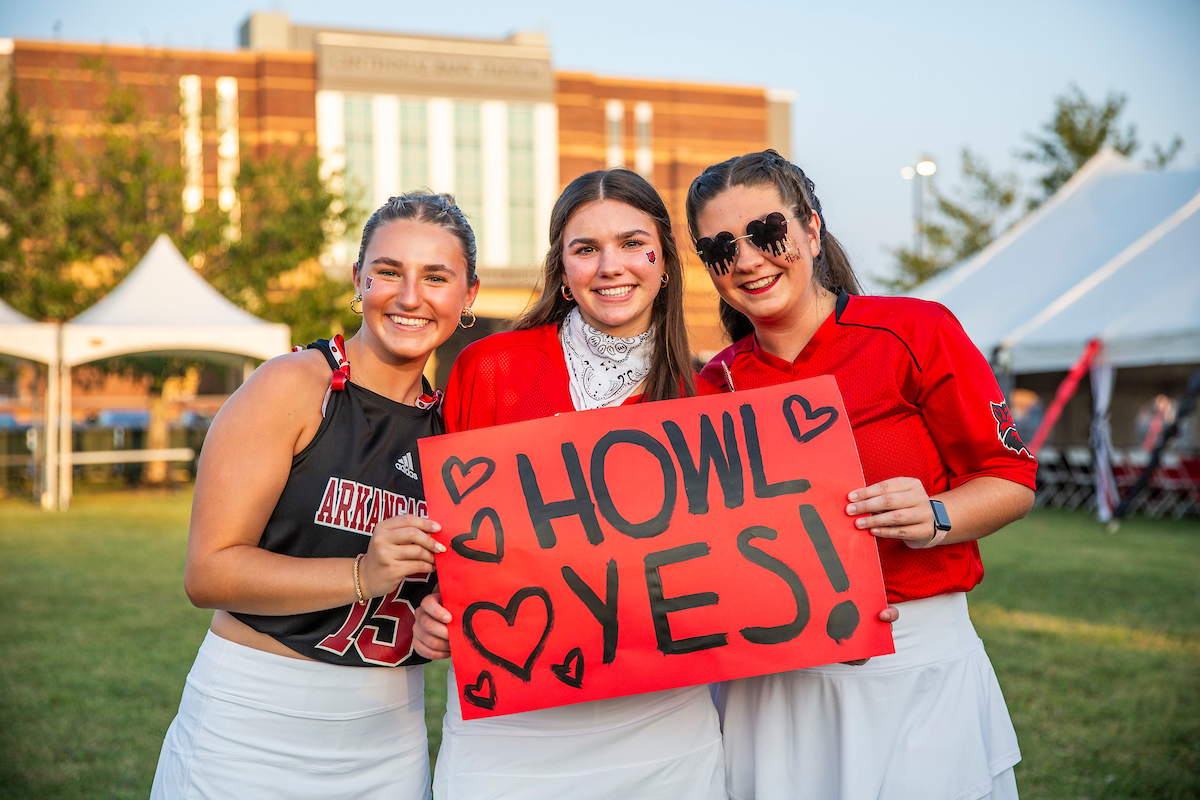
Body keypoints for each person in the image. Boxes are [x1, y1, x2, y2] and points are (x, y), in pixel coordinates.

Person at [685, 150, 1037, 800]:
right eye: (721, 247)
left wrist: (935, 514)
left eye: (768, 232)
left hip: (913, 667)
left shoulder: (915, 331)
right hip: (772, 682)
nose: (749, 260)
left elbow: (1010, 477)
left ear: (812, 230)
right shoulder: (714, 383)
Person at [150, 193, 480, 799]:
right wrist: (361, 572)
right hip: (252, 727)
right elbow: (209, 572)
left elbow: (442, 593)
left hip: (389, 737)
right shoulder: (295, 385)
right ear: (359, 280)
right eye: (388, 272)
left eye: (436, 277)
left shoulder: (455, 428)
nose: (410, 297)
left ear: (468, 297)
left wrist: (437, 624)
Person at [412, 169, 727, 800]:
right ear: (562, 269)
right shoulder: (491, 369)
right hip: (511, 719)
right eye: (586, 249)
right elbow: (453, 532)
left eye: (633, 243)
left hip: (663, 725)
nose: (611, 266)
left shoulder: (709, 394)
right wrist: (432, 609)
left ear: (664, 261)